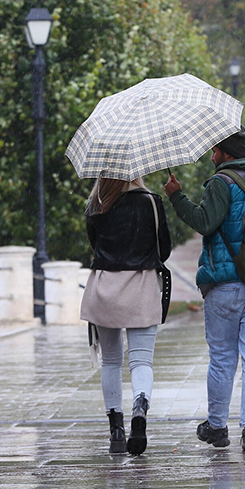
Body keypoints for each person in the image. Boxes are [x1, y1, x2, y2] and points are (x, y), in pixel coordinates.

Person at [164, 126, 245, 453]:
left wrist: (177, 197)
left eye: (215, 150)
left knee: (222, 358)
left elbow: (205, 222)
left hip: (224, 284)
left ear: (227, 153)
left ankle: (218, 427)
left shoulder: (220, 183)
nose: (211, 156)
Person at [80, 176, 172, 456]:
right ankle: (140, 408)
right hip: (141, 288)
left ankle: (116, 430)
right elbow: (164, 250)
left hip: (105, 288)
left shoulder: (97, 204)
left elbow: (96, 247)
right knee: (141, 360)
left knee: (110, 360)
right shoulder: (151, 202)